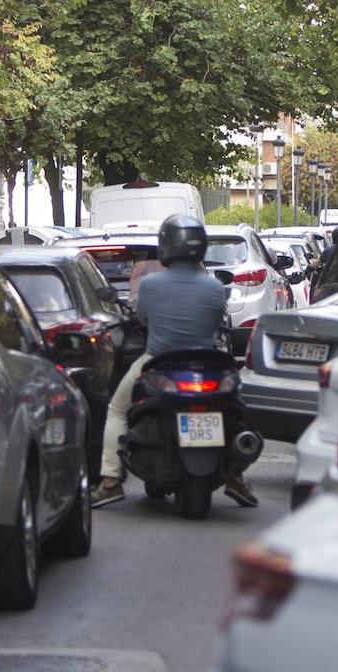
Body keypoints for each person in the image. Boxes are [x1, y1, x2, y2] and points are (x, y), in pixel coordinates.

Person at [91, 214, 259, 509]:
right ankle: (236, 477)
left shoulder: (151, 286)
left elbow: (142, 317)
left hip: (158, 361)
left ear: (166, 246)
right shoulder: (214, 287)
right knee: (236, 409)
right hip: (208, 365)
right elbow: (215, 322)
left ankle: (110, 481)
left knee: (117, 409)